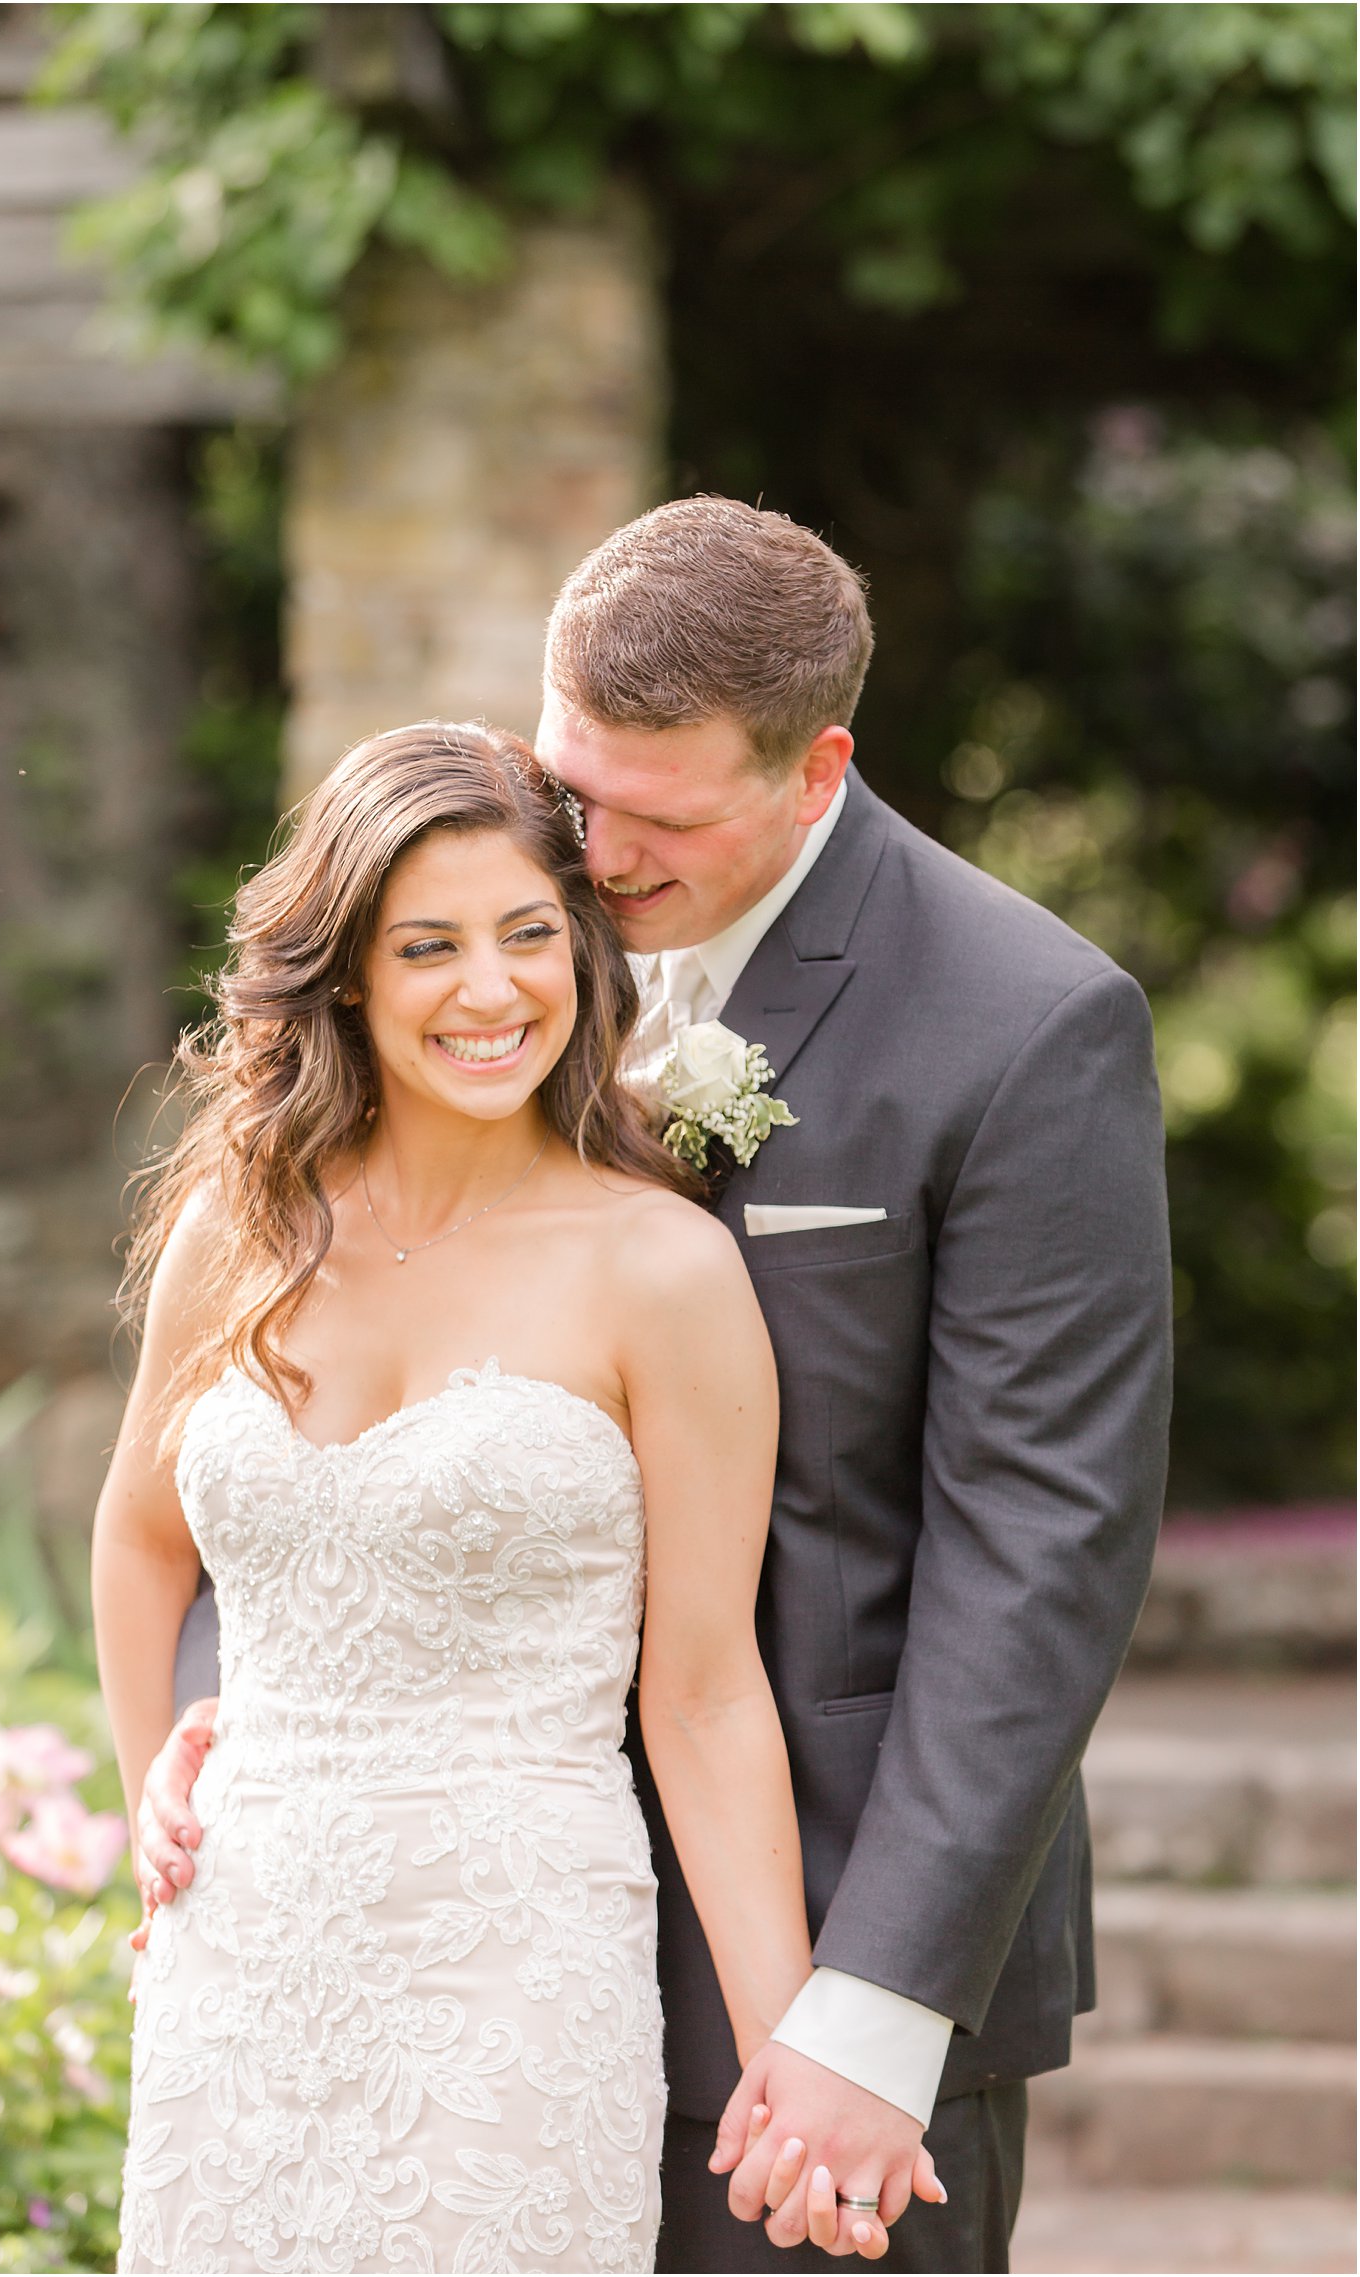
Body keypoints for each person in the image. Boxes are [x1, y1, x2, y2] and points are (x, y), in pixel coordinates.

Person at [144, 499, 1173, 2273]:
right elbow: (291, 1413)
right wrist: (249, 1697)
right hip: (432, 1945)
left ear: (814, 766)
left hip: (829, 1969)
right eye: (573, 781)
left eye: (663, 815)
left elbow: (1045, 1550)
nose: (597, 857)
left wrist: (873, 2006)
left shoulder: (1024, 1028)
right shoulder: (500, 927)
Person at [97, 720, 942, 2275]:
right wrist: (154, 1789)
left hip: (516, 1975)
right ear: (347, 969)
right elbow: (141, 1535)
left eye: (529, 935)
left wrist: (793, 2057)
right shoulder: (242, 1223)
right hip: (243, 1962)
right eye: (429, 945)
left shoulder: (661, 1268)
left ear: (582, 950)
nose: (491, 990)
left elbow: (701, 1691)